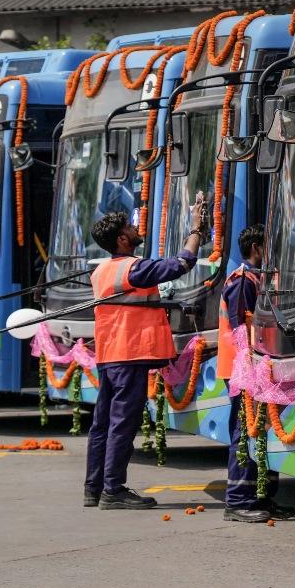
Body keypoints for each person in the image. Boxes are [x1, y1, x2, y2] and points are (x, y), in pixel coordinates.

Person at [84, 197, 208, 509]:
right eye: (130, 226)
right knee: (122, 424)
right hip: (130, 353)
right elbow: (182, 264)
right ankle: (114, 490)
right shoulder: (133, 269)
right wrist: (196, 229)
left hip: (109, 353)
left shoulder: (101, 271)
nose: (136, 228)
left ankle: (94, 489)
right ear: (122, 239)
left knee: (102, 424)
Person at [216, 224, 295, 522]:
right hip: (242, 370)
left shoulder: (258, 278)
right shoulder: (241, 281)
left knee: (261, 431)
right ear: (256, 248)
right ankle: (237, 500)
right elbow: (241, 331)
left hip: (256, 369)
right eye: (269, 247)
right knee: (244, 432)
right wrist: (250, 366)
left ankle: (261, 495)